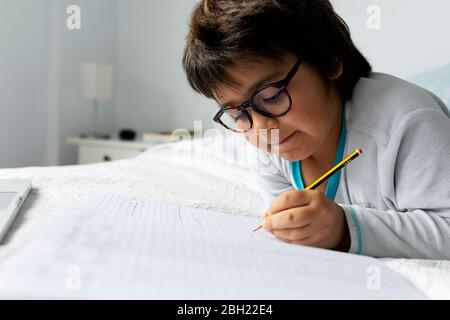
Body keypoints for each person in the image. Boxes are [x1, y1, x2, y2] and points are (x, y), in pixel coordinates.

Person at [182, 0, 450, 259]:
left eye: (273, 95)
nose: (262, 128)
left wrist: (345, 230)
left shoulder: (408, 121)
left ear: (329, 59)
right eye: (237, 113)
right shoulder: (271, 149)